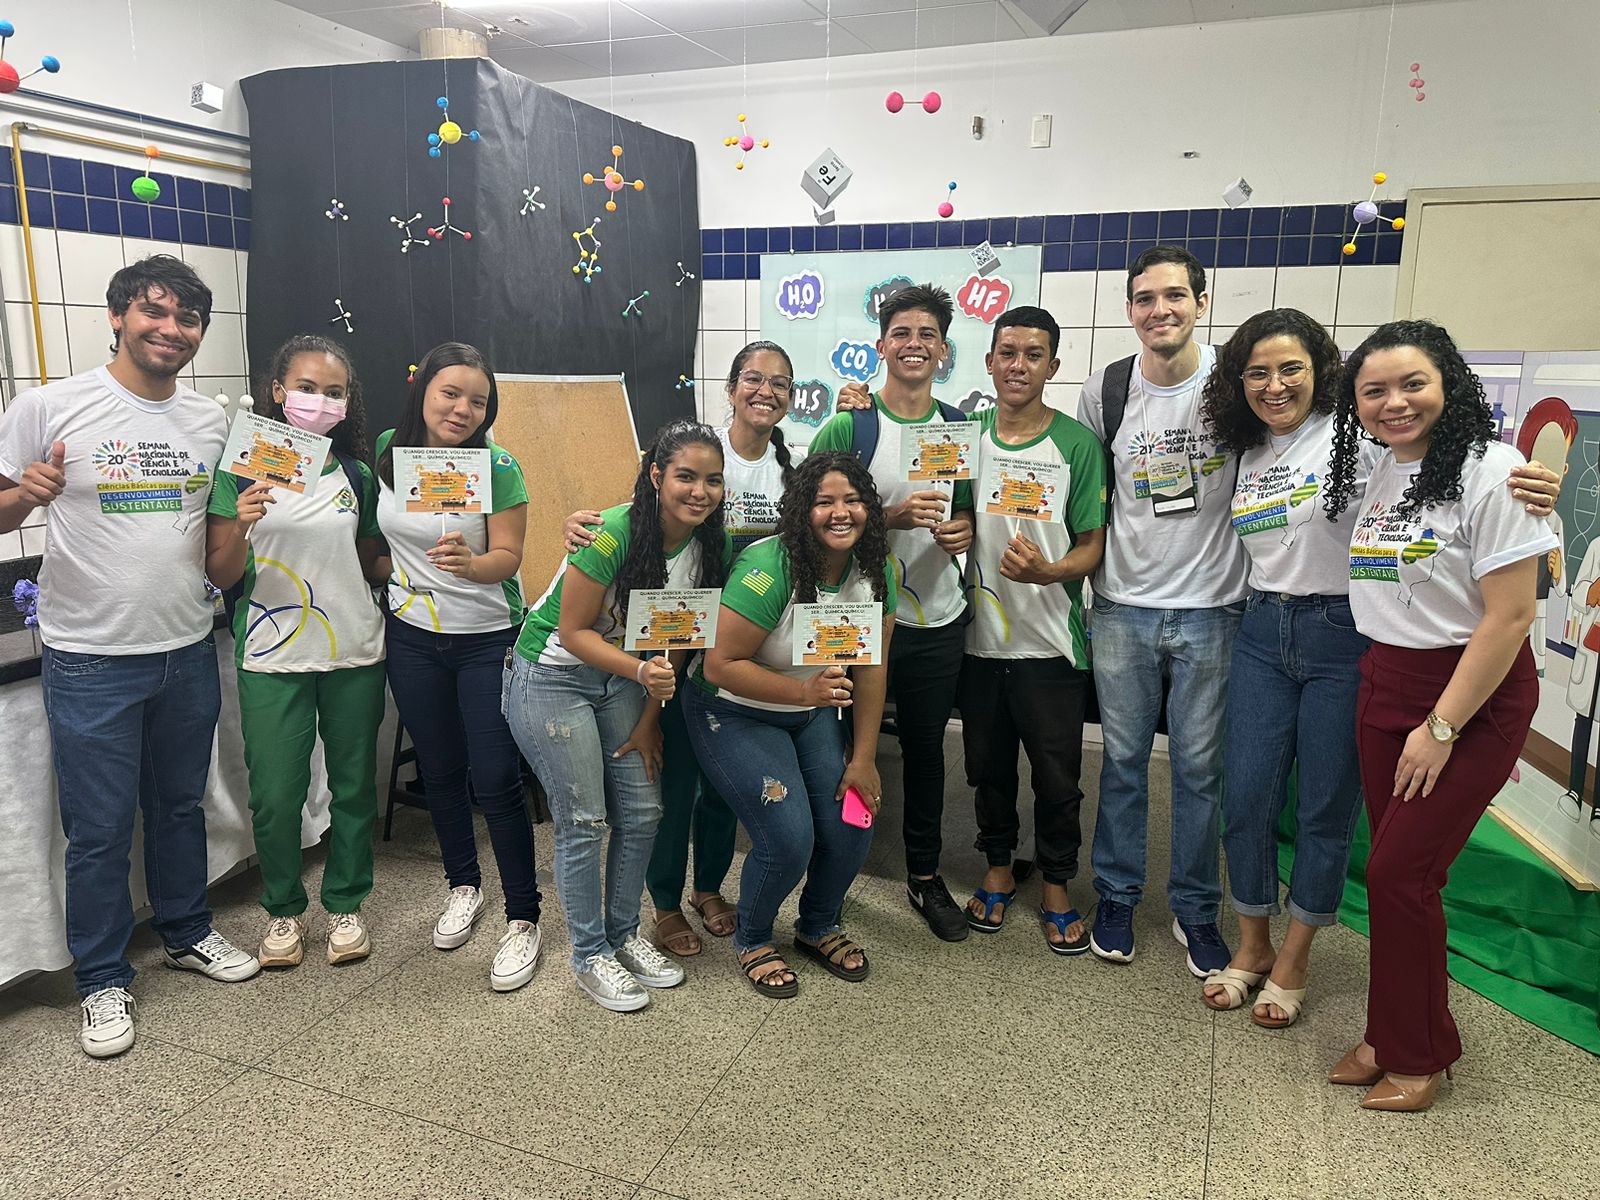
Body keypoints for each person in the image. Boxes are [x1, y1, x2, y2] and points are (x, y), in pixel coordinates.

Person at [1196, 310, 1559, 1026]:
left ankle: (1295, 957)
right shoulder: (1247, 447)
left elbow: (1451, 469)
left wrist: (1534, 480)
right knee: (1248, 797)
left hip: (1345, 634)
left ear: (1322, 373)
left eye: (1291, 368)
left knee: (1325, 805)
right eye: (1257, 373)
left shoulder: (1359, 438)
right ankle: (1253, 942)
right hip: (1263, 629)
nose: (1274, 385)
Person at [0, 254, 259, 1059]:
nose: (170, 329)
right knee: (100, 829)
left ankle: (185, 931)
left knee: (180, 807)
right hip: (90, 657)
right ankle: (103, 978)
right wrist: (23, 497)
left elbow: (217, 545)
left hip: (186, 647)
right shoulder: (49, 406)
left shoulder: (210, 423)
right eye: (154, 311)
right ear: (118, 317)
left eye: (187, 318)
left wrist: (247, 522)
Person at [1322, 319, 1555, 1111]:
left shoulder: (1495, 471)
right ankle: (1390, 1035)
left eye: (1412, 383)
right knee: (1396, 877)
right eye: (1374, 391)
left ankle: (1419, 1056)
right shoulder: (1381, 466)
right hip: (1383, 680)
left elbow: (1511, 616)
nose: (1395, 403)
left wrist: (1442, 728)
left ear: (1449, 383)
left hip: (1469, 696)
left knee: (1402, 873)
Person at [561, 343, 797, 957]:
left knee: (722, 788)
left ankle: (708, 888)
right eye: (753, 378)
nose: (765, 391)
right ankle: (665, 901)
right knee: (672, 784)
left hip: (742, 659)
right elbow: (632, 523)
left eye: (780, 383)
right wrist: (576, 527)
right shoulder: (697, 451)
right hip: (675, 649)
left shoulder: (791, 468)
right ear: (731, 387)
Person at [508, 420, 730, 1011]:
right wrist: (639, 674)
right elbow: (572, 632)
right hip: (553, 675)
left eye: (712, 480)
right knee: (583, 818)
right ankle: (589, 954)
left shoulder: (711, 544)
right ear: (656, 476)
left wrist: (651, 718)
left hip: (627, 681)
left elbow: (679, 634)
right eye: (685, 476)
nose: (699, 492)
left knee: (643, 810)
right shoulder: (610, 534)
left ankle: (624, 935)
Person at [1076, 245, 1241, 975]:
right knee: (1122, 764)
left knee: (1201, 769)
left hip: (1214, 607)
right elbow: (1083, 489)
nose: (1160, 310)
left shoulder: (1235, 384)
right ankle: (1115, 896)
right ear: (1129, 310)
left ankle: (1196, 909)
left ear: (1202, 302)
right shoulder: (1107, 389)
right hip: (1123, 607)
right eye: (1145, 298)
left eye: (1175, 295)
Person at [205, 334, 386, 970]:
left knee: (353, 789)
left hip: (353, 650)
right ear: (278, 391)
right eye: (307, 388)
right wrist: (243, 521)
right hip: (271, 652)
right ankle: (283, 909)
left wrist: (431, 562)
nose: (320, 401)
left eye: (334, 392)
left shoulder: (357, 475)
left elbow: (370, 559)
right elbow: (222, 572)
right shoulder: (241, 468)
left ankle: (346, 905)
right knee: (276, 796)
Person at [685, 451, 896, 998]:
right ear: (803, 510)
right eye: (824, 502)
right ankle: (754, 937)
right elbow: (720, 664)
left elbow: (873, 666)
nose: (840, 513)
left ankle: (817, 925)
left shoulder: (878, 571)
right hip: (730, 708)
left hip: (811, 710)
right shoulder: (770, 567)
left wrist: (864, 758)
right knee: (788, 838)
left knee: (853, 822)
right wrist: (805, 692)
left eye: (853, 500)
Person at [374, 342, 542, 993]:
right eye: (450, 393)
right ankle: (463, 885)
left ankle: (523, 916)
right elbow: (378, 540)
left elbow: (509, 557)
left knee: (495, 777)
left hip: (485, 639)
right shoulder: (390, 450)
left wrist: (473, 566)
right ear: (422, 390)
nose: (462, 409)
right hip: (412, 638)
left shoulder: (498, 465)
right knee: (440, 770)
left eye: (477, 400)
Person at [812, 284, 975, 943]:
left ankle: (924, 875)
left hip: (934, 617)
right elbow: (808, 515)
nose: (915, 344)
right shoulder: (850, 425)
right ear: (881, 346)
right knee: (838, 746)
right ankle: (833, 873)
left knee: (926, 750)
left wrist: (963, 529)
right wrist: (888, 517)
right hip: (853, 618)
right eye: (902, 333)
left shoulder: (957, 429)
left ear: (944, 350)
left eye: (927, 334)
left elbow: (968, 509)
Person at [959, 307, 1106, 953]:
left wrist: (1050, 571)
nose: (1018, 365)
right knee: (986, 769)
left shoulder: (1076, 445)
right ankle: (997, 866)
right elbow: (952, 513)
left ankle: (1056, 883)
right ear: (989, 362)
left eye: (1033, 354)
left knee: (1057, 778)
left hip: (1051, 645)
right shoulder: (965, 438)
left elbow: (1093, 544)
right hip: (978, 642)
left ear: (1053, 365)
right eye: (1008, 352)